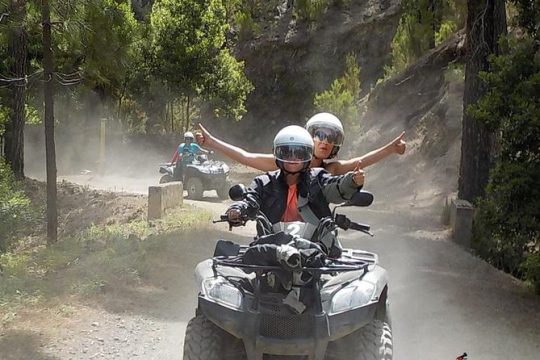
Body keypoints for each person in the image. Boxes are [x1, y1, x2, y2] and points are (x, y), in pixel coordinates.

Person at [225, 125, 365, 259]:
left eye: (299, 153)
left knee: (343, 278)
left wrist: (352, 181)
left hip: (319, 249)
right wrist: (237, 210)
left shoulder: (318, 178)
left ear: (308, 155)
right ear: (277, 154)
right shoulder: (263, 182)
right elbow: (250, 201)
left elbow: (335, 187)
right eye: (286, 153)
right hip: (270, 251)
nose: (293, 159)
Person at [196, 112, 406, 175]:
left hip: (318, 235)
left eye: (331, 137)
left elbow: (360, 161)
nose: (325, 141)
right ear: (308, 136)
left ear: (336, 145)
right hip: (279, 231)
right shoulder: (287, 162)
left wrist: (391, 149)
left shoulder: (331, 169)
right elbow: (246, 157)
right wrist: (212, 143)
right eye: (320, 134)